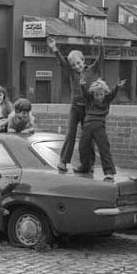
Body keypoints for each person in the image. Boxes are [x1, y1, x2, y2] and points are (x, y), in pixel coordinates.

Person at [46, 36, 103, 172]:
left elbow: (100, 59)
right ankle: (63, 161)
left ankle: (88, 164)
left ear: (83, 60)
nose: (77, 67)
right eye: (73, 65)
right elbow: (62, 62)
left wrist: (100, 45)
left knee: (88, 137)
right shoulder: (71, 73)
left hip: (88, 109)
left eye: (78, 63)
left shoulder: (92, 70)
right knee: (70, 133)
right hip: (75, 107)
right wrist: (55, 49)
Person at [78, 77, 127, 182]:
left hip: (99, 126)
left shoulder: (107, 100)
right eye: (96, 95)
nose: (98, 97)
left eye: (101, 95)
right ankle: (85, 167)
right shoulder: (90, 99)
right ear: (93, 94)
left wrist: (117, 86)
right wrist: (82, 85)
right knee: (83, 146)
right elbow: (85, 94)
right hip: (87, 125)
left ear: (105, 93)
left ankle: (109, 172)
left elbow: (113, 94)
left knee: (104, 148)